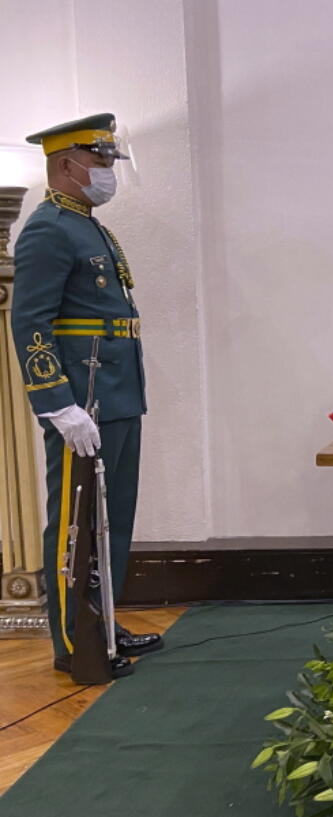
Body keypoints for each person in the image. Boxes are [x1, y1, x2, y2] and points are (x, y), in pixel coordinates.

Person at [12, 113, 161, 677]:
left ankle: (103, 624)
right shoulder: (49, 228)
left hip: (119, 393)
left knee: (112, 518)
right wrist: (56, 402)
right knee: (75, 522)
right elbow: (30, 323)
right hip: (85, 399)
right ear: (67, 164)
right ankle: (77, 646)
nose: (107, 171)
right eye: (100, 160)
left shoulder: (90, 226)